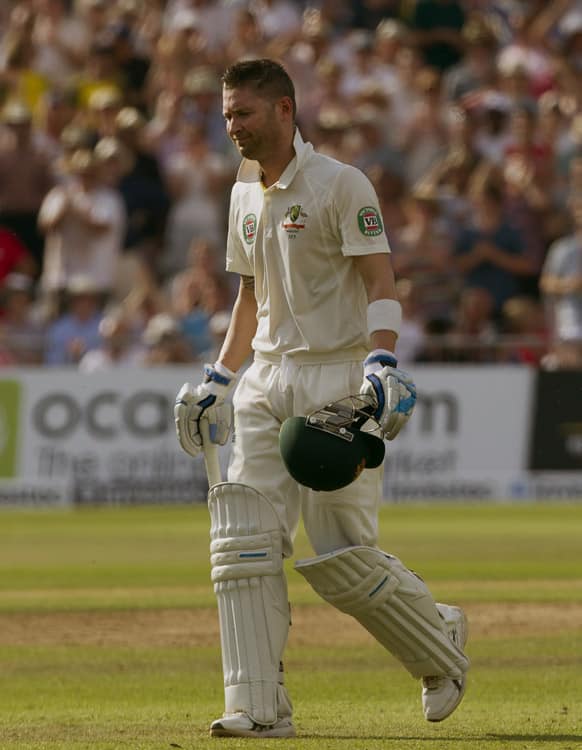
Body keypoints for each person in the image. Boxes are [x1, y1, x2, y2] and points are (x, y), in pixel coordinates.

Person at [174, 58, 469, 739]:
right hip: (266, 378)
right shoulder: (243, 193)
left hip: (336, 380)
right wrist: (220, 377)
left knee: (341, 558)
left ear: (284, 109)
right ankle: (258, 707)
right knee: (242, 541)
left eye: (243, 113)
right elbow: (249, 298)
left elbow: (381, 281)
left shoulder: (341, 184)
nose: (233, 126)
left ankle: (438, 641)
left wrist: (382, 362)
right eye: (226, 115)